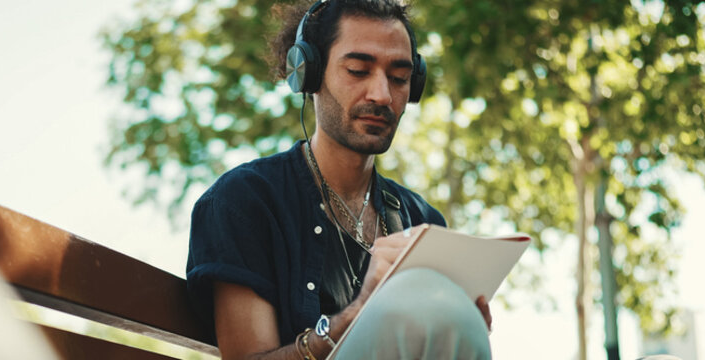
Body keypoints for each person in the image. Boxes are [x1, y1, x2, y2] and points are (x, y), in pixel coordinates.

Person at [186, 0, 492, 358]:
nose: (382, 95)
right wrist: (357, 314)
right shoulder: (243, 202)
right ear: (308, 74)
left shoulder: (422, 220)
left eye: (399, 78)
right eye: (359, 70)